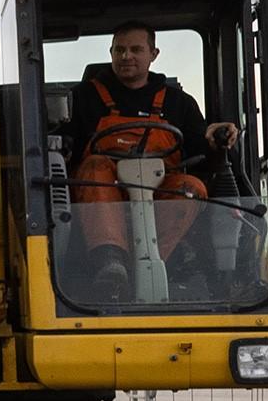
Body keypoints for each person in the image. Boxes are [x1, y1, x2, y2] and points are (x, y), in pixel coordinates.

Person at [64, 23, 239, 284]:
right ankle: (109, 258)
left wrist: (215, 138)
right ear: (110, 52)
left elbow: (202, 153)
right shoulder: (82, 98)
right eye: (119, 50)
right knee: (95, 166)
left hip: (159, 194)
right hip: (102, 196)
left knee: (191, 187)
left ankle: (157, 263)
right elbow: (64, 148)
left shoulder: (179, 102)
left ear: (153, 54)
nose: (126, 57)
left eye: (136, 49)